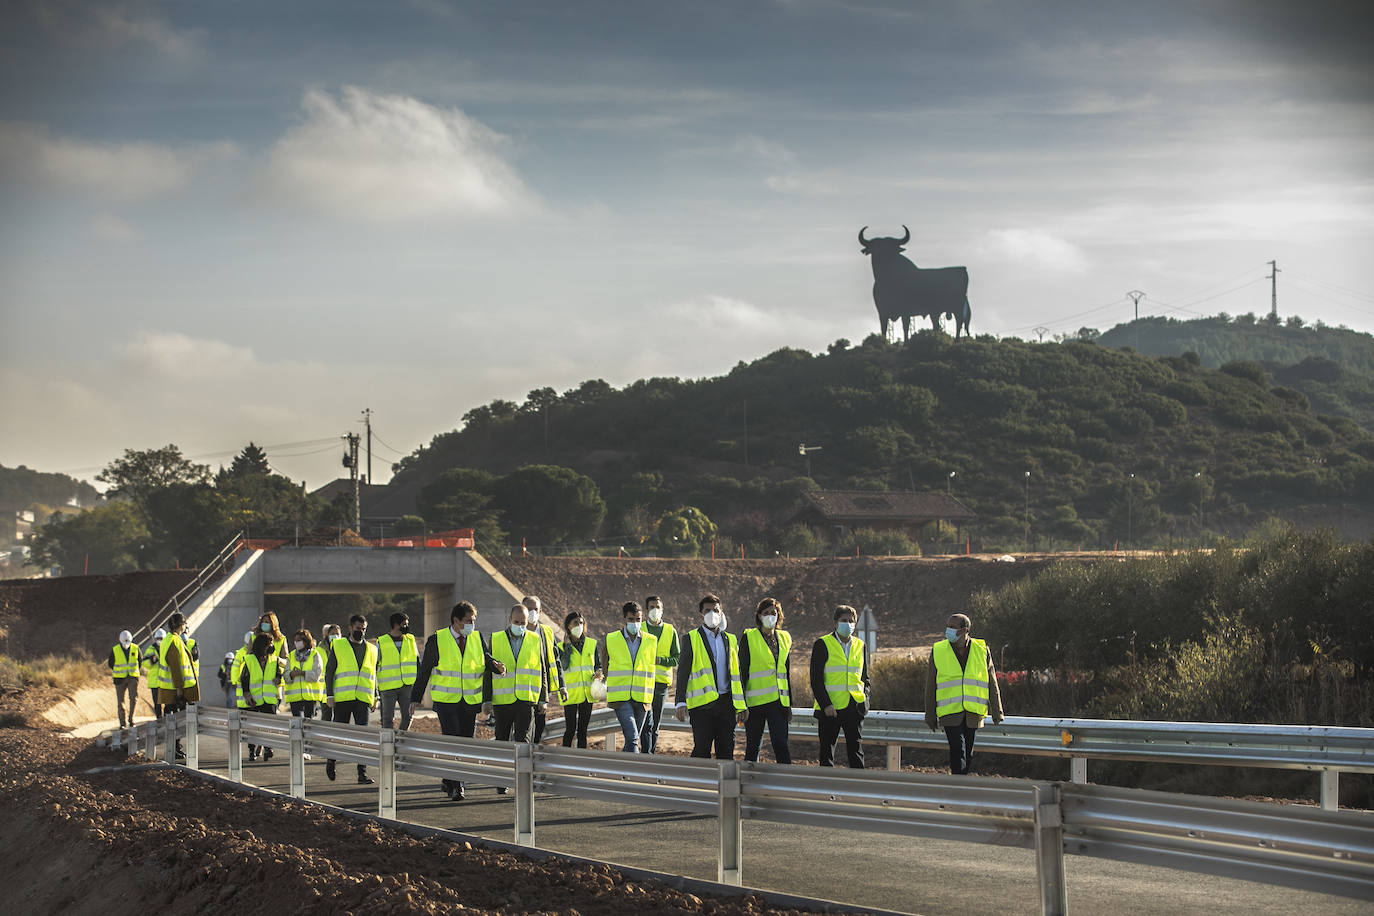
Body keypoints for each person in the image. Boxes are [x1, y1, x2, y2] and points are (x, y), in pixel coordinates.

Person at [408, 601, 505, 800]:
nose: (472, 624)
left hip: (469, 701)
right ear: (456, 621)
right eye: (468, 621)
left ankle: (449, 778)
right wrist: (415, 698)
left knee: (466, 743)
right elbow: (424, 671)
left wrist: (497, 666)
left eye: (474, 620)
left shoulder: (476, 638)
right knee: (453, 740)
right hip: (446, 702)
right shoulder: (437, 639)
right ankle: (457, 786)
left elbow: (485, 659)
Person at [924, 613, 1004, 775]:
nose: (948, 630)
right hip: (950, 712)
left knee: (968, 753)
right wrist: (930, 714)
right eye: (948, 626)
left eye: (952, 627)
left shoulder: (981, 649)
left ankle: (961, 783)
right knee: (957, 750)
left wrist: (997, 711)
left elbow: (991, 681)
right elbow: (930, 684)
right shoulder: (939, 650)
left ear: (964, 630)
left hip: (973, 712)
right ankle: (958, 787)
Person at [674, 595, 747, 759]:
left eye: (715, 610)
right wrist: (680, 701)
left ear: (721, 614)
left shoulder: (730, 639)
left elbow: (737, 674)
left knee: (726, 751)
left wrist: (742, 705)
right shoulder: (691, 638)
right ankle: (698, 783)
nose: (712, 614)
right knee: (701, 750)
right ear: (700, 614)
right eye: (707, 610)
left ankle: (723, 785)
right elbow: (683, 672)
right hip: (701, 707)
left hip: (726, 704)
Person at [488, 604, 550, 792]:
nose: (520, 626)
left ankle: (521, 781)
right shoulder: (496, 638)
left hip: (526, 700)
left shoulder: (535, 639)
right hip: (502, 701)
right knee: (502, 741)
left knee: (523, 742)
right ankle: (502, 781)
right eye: (517, 622)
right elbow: (487, 670)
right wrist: (487, 700)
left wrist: (543, 698)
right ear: (509, 620)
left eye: (523, 623)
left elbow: (542, 668)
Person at [810, 605, 870, 769]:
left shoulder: (861, 645)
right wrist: (826, 704)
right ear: (835, 623)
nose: (848, 624)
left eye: (851, 621)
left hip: (854, 706)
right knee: (827, 753)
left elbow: (865, 678)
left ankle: (857, 790)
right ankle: (826, 789)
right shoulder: (823, 644)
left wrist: (865, 700)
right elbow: (816, 679)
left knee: (856, 751)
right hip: (830, 708)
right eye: (844, 621)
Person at [325, 614, 379, 784]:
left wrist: (375, 696)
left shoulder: (372, 649)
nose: (361, 632)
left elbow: (373, 674)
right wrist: (330, 695)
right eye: (358, 629)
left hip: (362, 699)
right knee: (339, 733)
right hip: (342, 698)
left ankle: (361, 773)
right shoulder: (339, 645)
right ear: (350, 628)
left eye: (363, 629)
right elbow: (329, 672)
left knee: (362, 737)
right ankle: (331, 761)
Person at [600, 602, 658, 753]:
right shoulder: (611, 639)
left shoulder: (651, 641)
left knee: (631, 740)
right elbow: (605, 665)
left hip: (642, 697)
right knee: (633, 738)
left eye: (638, 619)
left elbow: (650, 667)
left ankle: (621, 773)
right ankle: (635, 774)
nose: (635, 623)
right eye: (631, 619)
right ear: (624, 619)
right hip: (621, 698)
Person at [741, 597, 792, 764]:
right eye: (766, 613)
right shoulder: (749, 637)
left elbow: (786, 672)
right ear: (759, 616)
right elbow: (742, 672)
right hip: (755, 703)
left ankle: (785, 784)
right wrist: (741, 705)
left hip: (778, 703)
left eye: (773, 613)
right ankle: (749, 782)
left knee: (780, 744)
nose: (770, 616)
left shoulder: (784, 638)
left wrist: (788, 703)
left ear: (779, 616)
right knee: (753, 746)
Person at [522, 596, 565, 743]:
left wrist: (562, 685)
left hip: (542, 688)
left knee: (539, 726)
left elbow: (555, 660)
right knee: (524, 729)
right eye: (529, 609)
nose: (532, 612)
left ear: (540, 611)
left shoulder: (547, 632)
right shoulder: (516, 632)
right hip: (522, 689)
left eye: (535, 609)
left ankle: (532, 759)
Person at [157, 614, 199, 760]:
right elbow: (175, 667)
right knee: (176, 720)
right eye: (184, 623)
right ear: (181, 625)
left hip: (169, 689)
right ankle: (174, 749)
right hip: (174, 690)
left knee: (173, 720)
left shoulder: (168, 640)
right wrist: (180, 688)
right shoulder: (174, 641)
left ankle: (175, 748)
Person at [640, 595, 679, 754]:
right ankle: (645, 755)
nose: (655, 610)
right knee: (644, 723)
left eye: (658, 607)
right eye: (651, 607)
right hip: (642, 683)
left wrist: (660, 660)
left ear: (662, 610)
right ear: (646, 609)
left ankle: (651, 755)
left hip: (661, 684)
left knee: (655, 724)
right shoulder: (640, 628)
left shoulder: (670, 630)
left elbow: (676, 658)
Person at [556, 612, 599, 749]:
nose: (579, 625)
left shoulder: (592, 644)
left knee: (583, 731)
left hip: (588, 693)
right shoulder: (560, 647)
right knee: (570, 730)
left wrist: (599, 673)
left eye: (581, 623)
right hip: (570, 693)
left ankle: (582, 761)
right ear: (568, 626)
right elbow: (561, 667)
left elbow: (598, 665)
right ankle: (565, 758)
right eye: (575, 623)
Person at [239, 633, 281, 761]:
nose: (272, 646)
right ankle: (252, 750)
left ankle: (268, 748)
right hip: (254, 699)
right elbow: (244, 678)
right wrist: (246, 694)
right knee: (252, 727)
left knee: (269, 725)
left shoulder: (274, 660)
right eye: (270, 644)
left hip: (268, 699)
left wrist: (278, 679)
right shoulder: (250, 659)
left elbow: (278, 674)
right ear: (262, 645)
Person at [377, 612, 418, 731]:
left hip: (407, 685)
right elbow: (376, 664)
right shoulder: (382, 641)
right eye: (404, 624)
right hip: (388, 687)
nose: (407, 627)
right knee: (387, 719)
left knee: (408, 717)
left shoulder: (410, 639)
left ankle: (399, 739)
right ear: (396, 625)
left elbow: (417, 661)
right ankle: (388, 743)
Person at [283, 628, 325, 720]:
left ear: (306, 641)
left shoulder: (315, 655)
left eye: (299, 640)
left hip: (310, 697)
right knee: (298, 723)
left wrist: (302, 673)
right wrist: (291, 674)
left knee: (309, 723)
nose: (296, 643)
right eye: (295, 640)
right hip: (295, 698)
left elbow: (316, 675)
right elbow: (285, 675)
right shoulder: (291, 656)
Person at [108, 629, 140, 729]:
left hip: (132, 678)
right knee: (120, 701)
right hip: (119, 680)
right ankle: (122, 723)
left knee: (133, 699)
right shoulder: (115, 650)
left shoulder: (136, 648)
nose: (126, 644)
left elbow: (140, 661)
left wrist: (134, 674)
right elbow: (111, 663)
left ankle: (131, 720)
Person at [318, 623, 341, 722]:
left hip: (340, 688)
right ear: (327, 635)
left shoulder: (344, 648)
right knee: (326, 717)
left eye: (337, 634)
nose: (335, 636)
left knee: (339, 718)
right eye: (332, 633)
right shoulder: (319, 649)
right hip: (324, 690)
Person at [143, 627, 166, 720]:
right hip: (155, 681)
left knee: (167, 702)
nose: (159, 641)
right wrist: (152, 661)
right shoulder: (151, 649)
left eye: (161, 639)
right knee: (157, 703)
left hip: (166, 681)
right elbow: (144, 663)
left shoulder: (168, 648)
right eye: (158, 639)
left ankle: (166, 718)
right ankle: (159, 719)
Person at [228, 631, 253, 708]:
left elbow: (235, 668)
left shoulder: (240, 652)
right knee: (244, 704)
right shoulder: (241, 652)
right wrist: (235, 681)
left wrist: (235, 681)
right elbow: (235, 668)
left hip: (247, 681)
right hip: (243, 681)